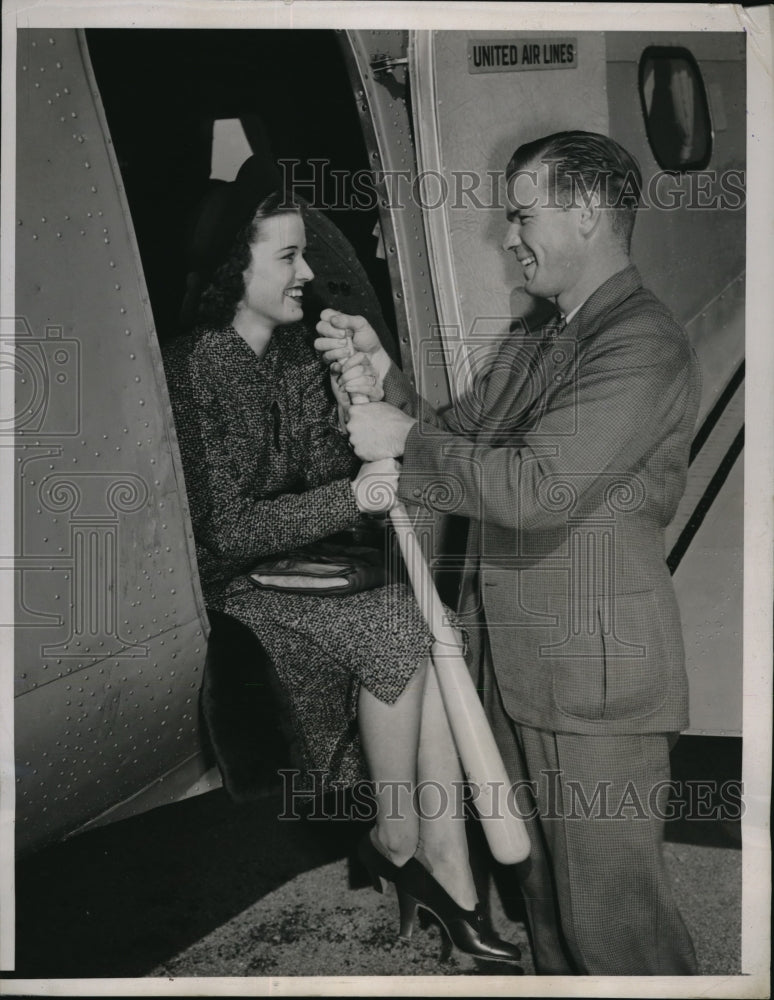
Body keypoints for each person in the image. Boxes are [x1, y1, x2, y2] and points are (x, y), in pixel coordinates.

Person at [315, 131, 700, 975]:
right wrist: (386, 381)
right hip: (515, 666)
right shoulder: (540, 337)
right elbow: (456, 437)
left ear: (589, 214)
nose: (509, 235)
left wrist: (403, 435)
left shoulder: (642, 345)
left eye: (524, 215)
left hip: (595, 682)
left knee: (614, 926)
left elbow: (535, 489)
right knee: (546, 908)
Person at [161, 155, 521, 966]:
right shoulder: (191, 369)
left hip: (304, 568)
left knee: (428, 630)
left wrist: (351, 395)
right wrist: (353, 496)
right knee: (398, 627)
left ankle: (449, 870)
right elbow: (221, 533)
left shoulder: (292, 354)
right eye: (287, 257)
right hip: (239, 586)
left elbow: (339, 464)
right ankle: (398, 838)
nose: (308, 272)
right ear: (235, 269)